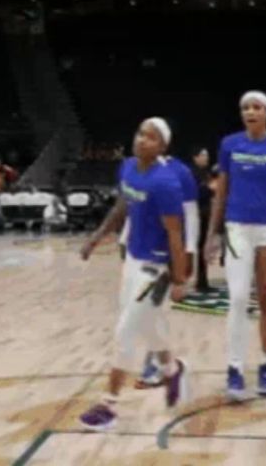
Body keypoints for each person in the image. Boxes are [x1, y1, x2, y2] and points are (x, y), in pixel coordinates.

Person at [78, 118, 189, 431]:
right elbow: (122, 205)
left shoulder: (165, 183)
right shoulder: (127, 167)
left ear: (162, 147)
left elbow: (176, 234)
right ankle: (171, 369)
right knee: (150, 327)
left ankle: (108, 405)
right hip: (131, 262)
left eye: (152, 138)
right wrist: (97, 236)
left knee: (126, 331)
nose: (143, 140)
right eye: (141, 133)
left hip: (156, 270)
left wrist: (179, 279)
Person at [204, 91, 266, 400]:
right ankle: (234, 368)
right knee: (236, 298)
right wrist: (212, 233)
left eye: (256, 107)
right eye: (245, 107)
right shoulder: (230, 145)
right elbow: (221, 191)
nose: (250, 111)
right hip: (237, 228)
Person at [137, 129, 199, 390]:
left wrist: (189, 252)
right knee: (141, 311)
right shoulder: (135, 170)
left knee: (151, 309)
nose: (142, 140)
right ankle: (165, 364)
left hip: (165, 253)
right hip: (138, 250)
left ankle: (155, 366)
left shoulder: (180, 172)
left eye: (151, 136)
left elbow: (191, 214)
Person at [190, 147, 214, 292]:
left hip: (205, 213)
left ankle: (202, 280)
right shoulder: (192, 174)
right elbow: (198, 192)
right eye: (203, 155)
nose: (206, 158)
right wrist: (210, 188)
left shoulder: (206, 173)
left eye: (207, 155)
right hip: (195, 213)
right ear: (195, 157)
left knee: (203, 248)